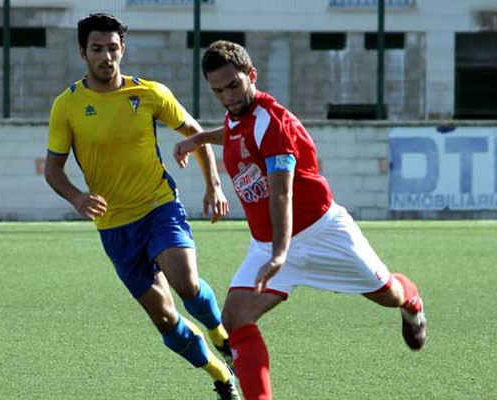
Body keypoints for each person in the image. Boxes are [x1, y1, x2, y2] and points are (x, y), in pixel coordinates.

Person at [173, 40, 427, 400]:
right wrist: (199, 138)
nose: (227, 97)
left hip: (323, 233)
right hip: (269, 243)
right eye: (218, 91)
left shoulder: (272, 123)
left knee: (389, 294)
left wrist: (280, 254)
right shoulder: (237, 115)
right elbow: (231, 131)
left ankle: (412, 302)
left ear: (252, 76)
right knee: (235, 318)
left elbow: (282, 192)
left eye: (233, 86)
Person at [44, 14, 240, 400]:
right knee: (166, 318)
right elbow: (53, 170)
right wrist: (77, 197)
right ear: (83, 52)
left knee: (186, 284)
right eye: (97, 49)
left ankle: (222, 337)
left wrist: (214, 185)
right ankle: (220, 375)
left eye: (113, 48)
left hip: (158, 207)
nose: (106, 56)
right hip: (115, 228)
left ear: (123, 49)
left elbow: (195, 135)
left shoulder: (149, 93)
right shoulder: (66, 105)